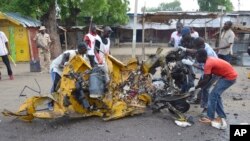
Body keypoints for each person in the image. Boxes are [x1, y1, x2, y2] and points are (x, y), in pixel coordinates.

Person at [189, 49, 237, 129]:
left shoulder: (209, 63)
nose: (196, 59)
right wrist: (198, 87)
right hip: (226, 76)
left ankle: (210, 117)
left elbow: (206, 79)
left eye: (197, 57)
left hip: (229, 77)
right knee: (216, 95)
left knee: (213, 96)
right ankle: (221, 116)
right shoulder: (208, 60)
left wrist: (195, 87)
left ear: (203, 57)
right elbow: (207, 77)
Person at [180, 37, 218, 115]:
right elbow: (195, 50)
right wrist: (185, 49)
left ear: (200, 46)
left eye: (196, 46)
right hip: (208, 70)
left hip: (213, 72)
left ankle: (206, 108)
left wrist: (191, 63)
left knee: (205, 88)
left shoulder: (208, 53)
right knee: (201, 83)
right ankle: (198, 100)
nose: (195, 49)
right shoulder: (204, 45)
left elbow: (203, 67)